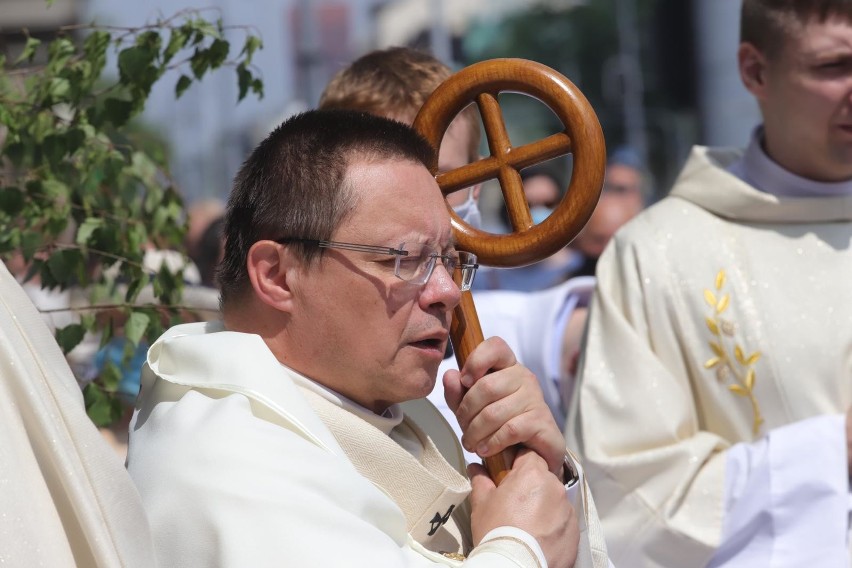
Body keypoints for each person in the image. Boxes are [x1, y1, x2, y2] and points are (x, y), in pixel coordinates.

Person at [127, 110, 611, 568]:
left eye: (448, 259)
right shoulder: (225, 461)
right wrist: (520, 548)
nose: (446, 292)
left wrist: (539, 474)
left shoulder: (397, 413)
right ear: (276, 275)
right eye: (402, 260)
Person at [567, 1, 852, 566]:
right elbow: (622, 502)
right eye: (833, 66)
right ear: (755, 71)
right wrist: (830, 455)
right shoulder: (658, 255)